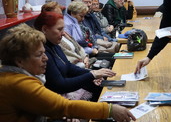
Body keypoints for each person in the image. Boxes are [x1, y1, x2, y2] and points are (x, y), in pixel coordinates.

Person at [0, 23, 136, 122]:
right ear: (19, 61)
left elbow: (46, 106)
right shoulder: (17, 82)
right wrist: (109, 110)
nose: (45, 58)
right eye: (39, 55)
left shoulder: (13, 76)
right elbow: (63, 106)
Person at [34, 11, 116, 102]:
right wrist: (92, 75)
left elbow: (68, 67)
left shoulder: (54, 44)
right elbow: (60, 85)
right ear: (45, 29)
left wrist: (92, 73)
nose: (63, 33)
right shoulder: (42, 52)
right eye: (59, 29)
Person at [42, 1, 92, 68]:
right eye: (57, 16)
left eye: (61, 15)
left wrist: (85, 57)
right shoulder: (54, 38)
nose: (61, 18)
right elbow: (69, 58)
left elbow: (78, 46)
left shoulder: (64, 33)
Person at [64, 0, 115, 65]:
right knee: (113, 59)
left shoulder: (75, 22)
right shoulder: (68, 25)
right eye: (81, 16)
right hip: (82, 56)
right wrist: (90, 50)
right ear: (73, 13)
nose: (83, 19)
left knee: (114, 57)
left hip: (87, 52)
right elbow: (73, 46)